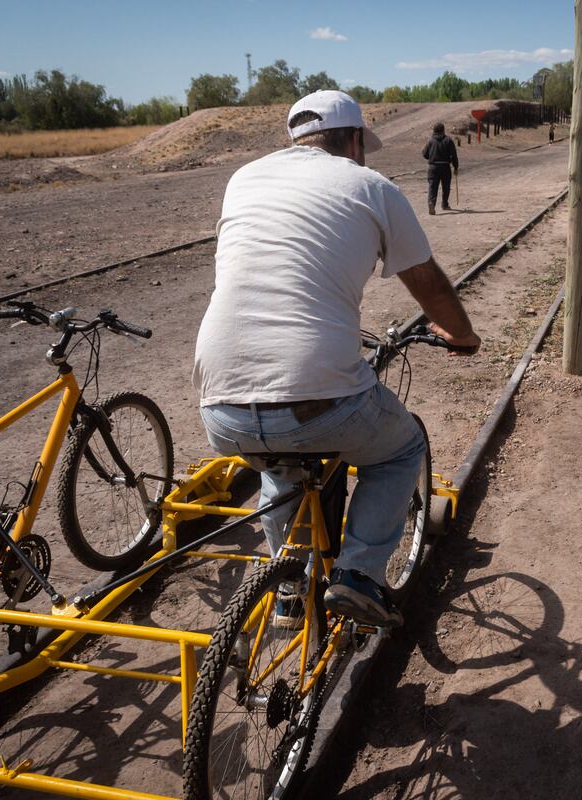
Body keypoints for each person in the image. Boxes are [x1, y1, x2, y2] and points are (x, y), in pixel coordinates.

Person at [193, 90, 481, 628]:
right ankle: (360, 576)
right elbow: (429, 286)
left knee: (280, 463)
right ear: (352, 141)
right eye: (362, 145)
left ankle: (291, 585)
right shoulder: (372, 186)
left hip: (219, 405)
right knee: (401, 450)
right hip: (315, 395)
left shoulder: (243, 180)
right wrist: (463, 335)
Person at [422, 122, 459, 214]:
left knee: (432, 187)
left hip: (433, 167)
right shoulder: (448, 140)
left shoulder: (430, 140)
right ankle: (445, 204)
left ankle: (431, 203)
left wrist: (431, 157)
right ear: (443, 130)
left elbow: (424, 154)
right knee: (446, 187)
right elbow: (454, 155)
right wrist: (456, 167)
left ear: (434, 130)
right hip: (445, 167)